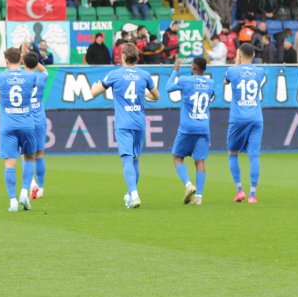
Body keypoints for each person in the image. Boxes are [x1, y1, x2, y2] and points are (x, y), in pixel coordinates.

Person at [90, 43, 159, 209]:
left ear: (122, 56)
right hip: (139, 123)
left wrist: (94, 87)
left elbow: (94, 93)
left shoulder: (115, 74)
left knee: (127, 159)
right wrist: (143, 92)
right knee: (135, 160)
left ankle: (134, 195)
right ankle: (130, 194)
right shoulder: (144, 75)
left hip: (123, 123)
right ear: (137, 57)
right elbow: (156, 96)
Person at [0, 47, 39, 212]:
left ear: (6, 60)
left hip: (7, 125)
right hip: (27, 123)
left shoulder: (0, 76)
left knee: (9, 164)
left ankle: (12, 200)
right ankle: (24, 192)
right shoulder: (30, 76)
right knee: (28, 159)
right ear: (20, 59)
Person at [166, 56, 214, 206]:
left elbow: (168, 88)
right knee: (199, 161)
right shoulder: (211, 83)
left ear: (193, 67)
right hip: (204, 127)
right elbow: (211, 96)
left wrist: (175, 71)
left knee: (177, 157)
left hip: (187, 127)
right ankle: (199, 197)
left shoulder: (185, 80)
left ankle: (188, 184)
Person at [224, 43, 267, 203]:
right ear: (254, 55)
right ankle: (253, 195)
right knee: (254, 155)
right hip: (256, 117)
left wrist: (237, 61)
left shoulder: (232, 70)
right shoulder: (260, 71)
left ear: (239, 54)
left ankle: (240, 190)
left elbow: (226, 81)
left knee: (232, 153)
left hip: (238, 118)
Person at [23, 51, 50, 200]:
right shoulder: (42, 77)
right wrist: (32, 59)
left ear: (24, 63)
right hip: (39, 119)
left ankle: (31, 183)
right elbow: (44, 70)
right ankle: (40, 187)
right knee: (39, 155)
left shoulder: (20, 77)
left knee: (25, 155)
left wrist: (23, 57)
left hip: (25, 119)